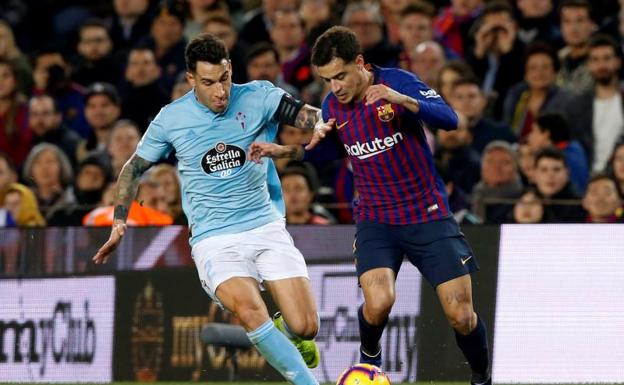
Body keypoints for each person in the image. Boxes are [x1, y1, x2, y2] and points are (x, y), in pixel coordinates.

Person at [93, 33, 335, 385]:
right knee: (251, 310)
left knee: (307, 327)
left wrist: (319, 122)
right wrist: (118, 222)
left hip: (265, 226)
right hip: (214, 239)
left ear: (230, 69)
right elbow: (133, 168)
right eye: (208, 83)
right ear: (191, 79)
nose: (220, 91)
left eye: (224, 79)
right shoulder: (171, 119)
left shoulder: (259, 96)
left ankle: (288, 329)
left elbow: (305, 115)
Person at [253, 26, 491, 385]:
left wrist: (402, 99)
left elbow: (450, 120)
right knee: (378, 301)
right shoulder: (334, 105)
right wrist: (286, 151)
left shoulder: (398, 81)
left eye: (341, 75)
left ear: (360, 63)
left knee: (461, 315)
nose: (335, 87)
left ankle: (481, 377)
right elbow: (333, 152)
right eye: (327, 80)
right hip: (376, 220)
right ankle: (369, 364)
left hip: (427, 215)